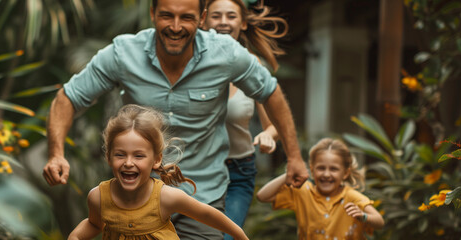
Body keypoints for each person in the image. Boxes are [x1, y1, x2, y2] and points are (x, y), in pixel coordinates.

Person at [43, 0, 308, 238]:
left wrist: (294, 157)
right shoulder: (123, 53)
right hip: (135, 201)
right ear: (152, 13)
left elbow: (271, 93)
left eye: (187, 18)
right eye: (167, 16)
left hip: (202, 196)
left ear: (202, 18)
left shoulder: (225, 54)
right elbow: (68, 97)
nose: (176, 26)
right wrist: (56, 153)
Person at [67, 105, 249, 240]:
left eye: (139, 156)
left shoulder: (166, 197)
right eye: (120, 155)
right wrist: (75, 237)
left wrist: (239, 234)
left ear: (156, 160)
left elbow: (206, 214)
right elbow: (94, 224)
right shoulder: (98, 197)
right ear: (108, 157)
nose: (128, 163)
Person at [201, 0, 288, 237]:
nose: (223, 23)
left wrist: (267, 136)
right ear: (203, 19)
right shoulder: (189, 62)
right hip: (196, 170)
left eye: (231, 16)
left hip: (237, 173)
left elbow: (274, 125)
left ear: (243, 22)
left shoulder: (252, 65)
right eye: (216, 16)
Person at [256, 138, 385, 239]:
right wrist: (289, 173)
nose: (326, 174)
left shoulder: (352, 197)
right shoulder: (303, 191)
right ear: (312, 170)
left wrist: (363, 216)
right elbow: (262, 196)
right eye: (321, 168)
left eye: (333, 169)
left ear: (345, 173)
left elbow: (379, 222)